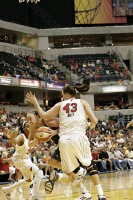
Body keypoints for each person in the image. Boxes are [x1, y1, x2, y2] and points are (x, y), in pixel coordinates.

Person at [26, 80, 107, 200]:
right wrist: (37, 138)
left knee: (81, 168)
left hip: (66, 140)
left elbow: (61, 123)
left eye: (30, 118)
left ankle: (71, 177)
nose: (29, 121)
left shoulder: (50, 117)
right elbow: (30, 143)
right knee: (55, 163)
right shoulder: (82, 102)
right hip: (73, 139)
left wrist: (55, 131)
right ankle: (79, 185)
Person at [2, 126, 52, 200]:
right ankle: (35, 196)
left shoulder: (31, 139)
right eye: (27, 126)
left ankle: (8, 189)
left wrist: (40, 139)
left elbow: (29, 145)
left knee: (28, 181)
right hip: (20, 159)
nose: (30, 127)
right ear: (24, 128)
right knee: (39, 173)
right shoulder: (21, 136)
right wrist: (10, 137)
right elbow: (16, 141)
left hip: (26, 159)